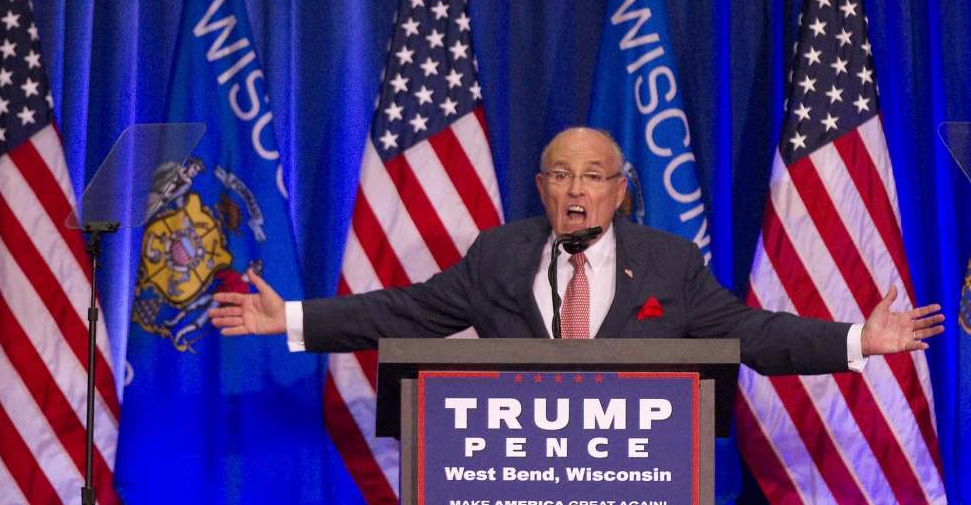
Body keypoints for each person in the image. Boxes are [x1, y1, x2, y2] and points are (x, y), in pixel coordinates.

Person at [209, 127, 944, 375]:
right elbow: (407, 310)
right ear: (540, 186)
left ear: (621, 190)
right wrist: (293, 320)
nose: (576, 191)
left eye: (594, 177)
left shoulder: (668, 261)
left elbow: (752, 333)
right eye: (561, 175)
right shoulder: (500, 254)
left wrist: (859, 339)